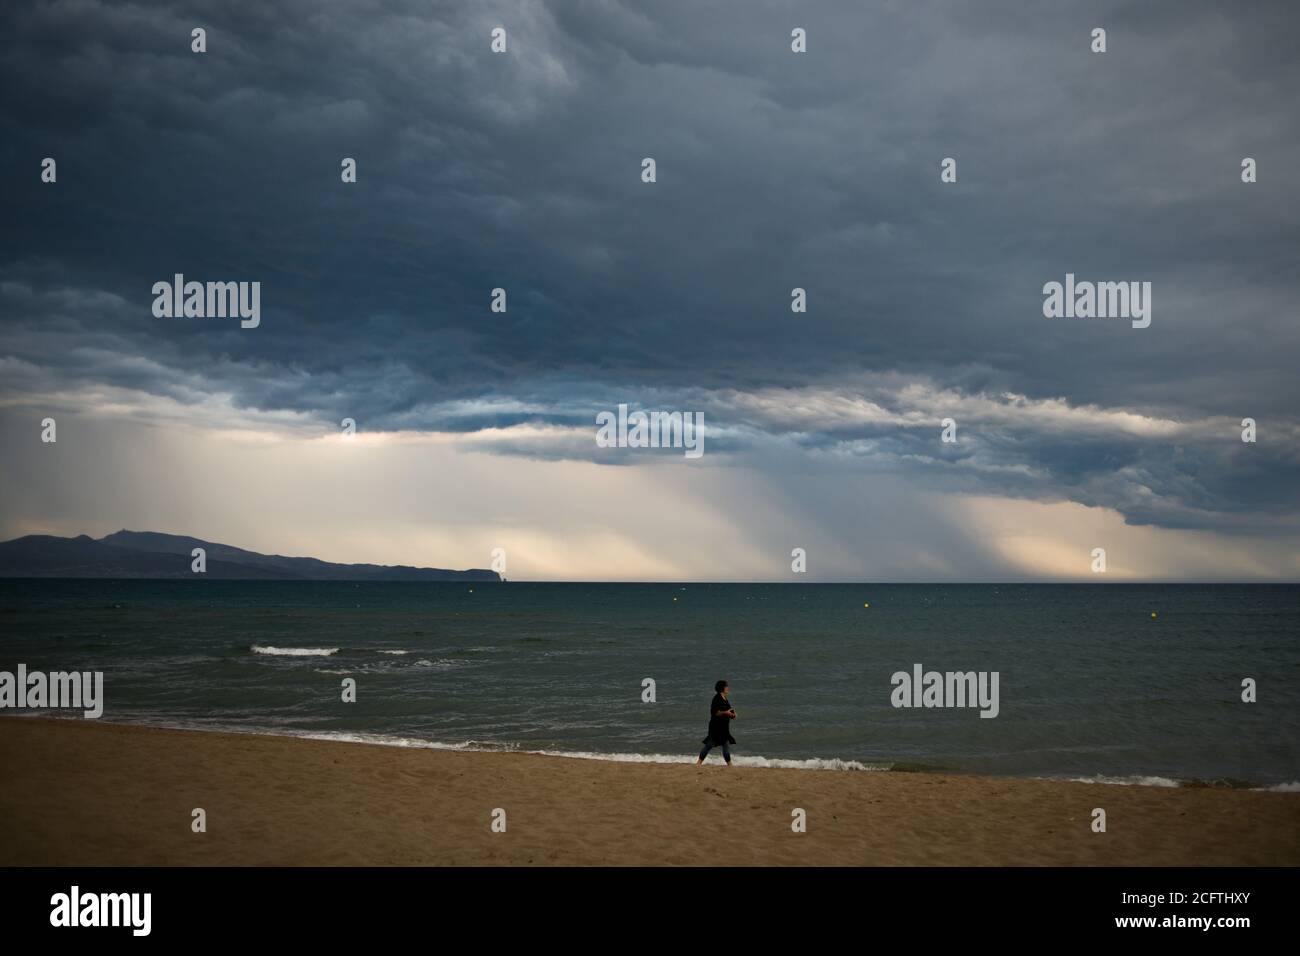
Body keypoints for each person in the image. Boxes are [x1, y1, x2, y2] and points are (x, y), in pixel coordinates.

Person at [696, 679, 736, 766]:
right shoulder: (716, 698)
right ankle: (698, 763)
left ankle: (729, 764)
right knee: (709, 745)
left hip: (724, 727)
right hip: (716, 727)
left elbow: (728, 711)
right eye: (726, 686)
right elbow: (715, 712)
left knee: (725, 745)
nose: (728, 688)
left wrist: (732, 715)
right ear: (722, 688)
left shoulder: (725, 699)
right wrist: (726, 712)